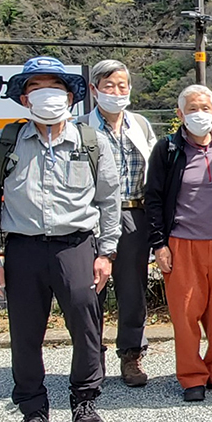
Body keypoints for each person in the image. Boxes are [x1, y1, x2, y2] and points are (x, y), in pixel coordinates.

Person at [0, 57, 120, 422]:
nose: (47, 96)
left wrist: (107, 252)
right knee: (25, 332)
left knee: (85, 327)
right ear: (25, 99)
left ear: (70, 95)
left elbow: (109, 199)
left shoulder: (91, 142)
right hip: (23, 248)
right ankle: (33, 409)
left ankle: (84, 402)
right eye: (37, 89)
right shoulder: (4, 142)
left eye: (55, 88)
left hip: (77, 246)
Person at [145, 85, 212, 402]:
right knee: (185, 315)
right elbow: (154, 199)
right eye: (192, 108)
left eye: (205, 108)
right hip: (182, 244)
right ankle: (191, 376)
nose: (199, 114)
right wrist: (159, 244)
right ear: (180, 114)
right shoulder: (168, 150)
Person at [78, 60, 157, 387]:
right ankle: (91, 356)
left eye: (122, 85)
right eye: (108, 86)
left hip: (134, 214)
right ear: (95, 90)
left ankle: (131, 354)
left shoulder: (140, 123)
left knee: (132, 290)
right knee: (89, 289)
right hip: (90, 216)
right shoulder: (80, 127)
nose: (116, 92)